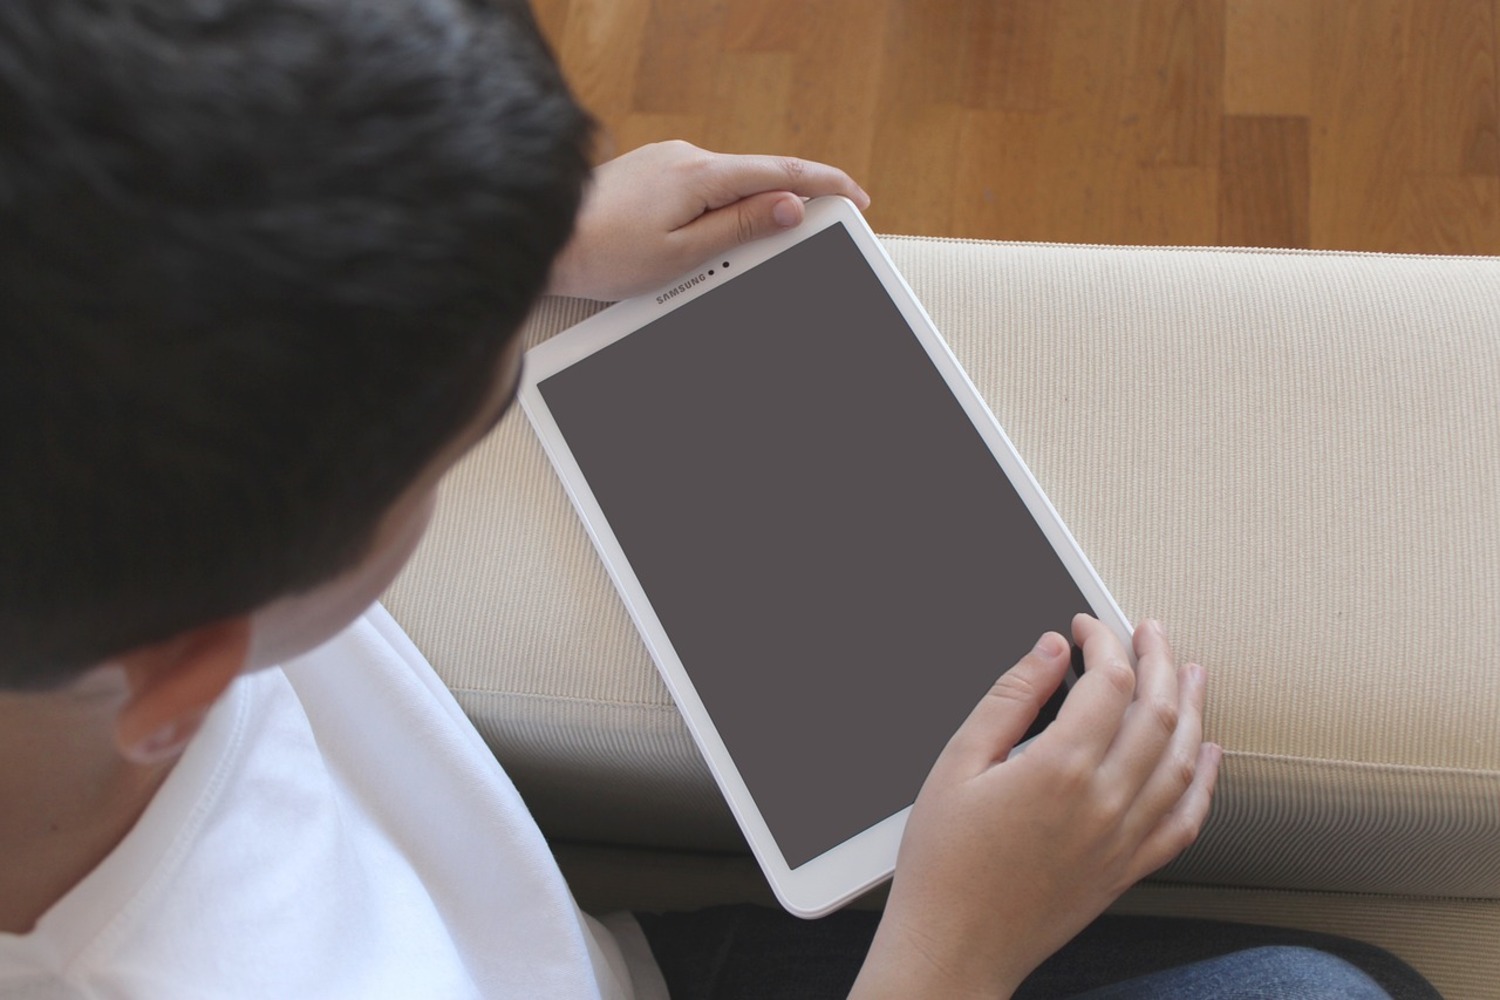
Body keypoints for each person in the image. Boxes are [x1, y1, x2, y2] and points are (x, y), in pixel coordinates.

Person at [0, 1, 1440, 997]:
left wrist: (475, 252)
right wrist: (945, 957)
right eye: (467, 424)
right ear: (187, 666)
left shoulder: (80, 551)